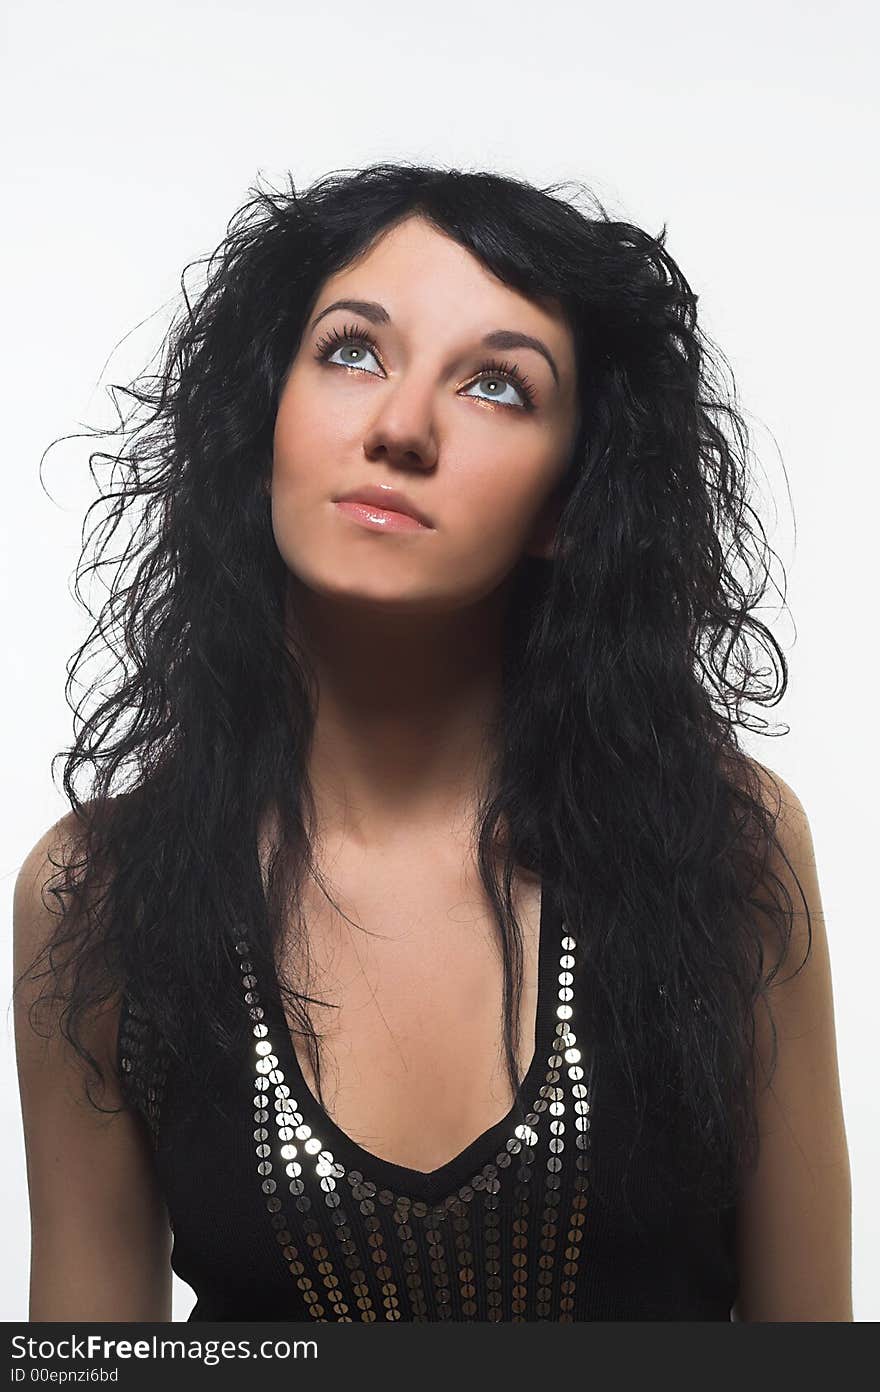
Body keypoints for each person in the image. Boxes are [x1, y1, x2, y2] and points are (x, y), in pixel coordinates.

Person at [13, 162, 851, 1322]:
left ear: (569, 505)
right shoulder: (97, 895)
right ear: (263, 429)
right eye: (352, 351)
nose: (399, 427)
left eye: (497, 386)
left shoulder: (726, 845)